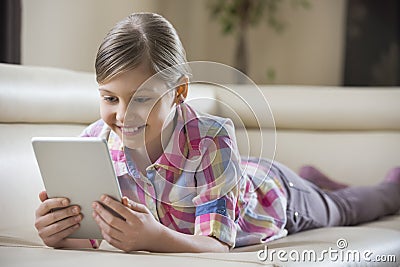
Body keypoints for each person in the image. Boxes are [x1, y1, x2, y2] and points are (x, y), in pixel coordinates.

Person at [34, 12, 400, 253]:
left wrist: (152, 237)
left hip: (270, 196)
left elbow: (216, 245)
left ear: (179, 92)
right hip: (233, 180)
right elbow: (89, 241)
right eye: (110, 98)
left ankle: (388, 186)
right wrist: (60, 233)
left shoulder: (211, 139)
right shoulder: (93, 145)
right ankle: (313, 176)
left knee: (347, 207)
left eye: (142, 98)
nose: (123, 114)